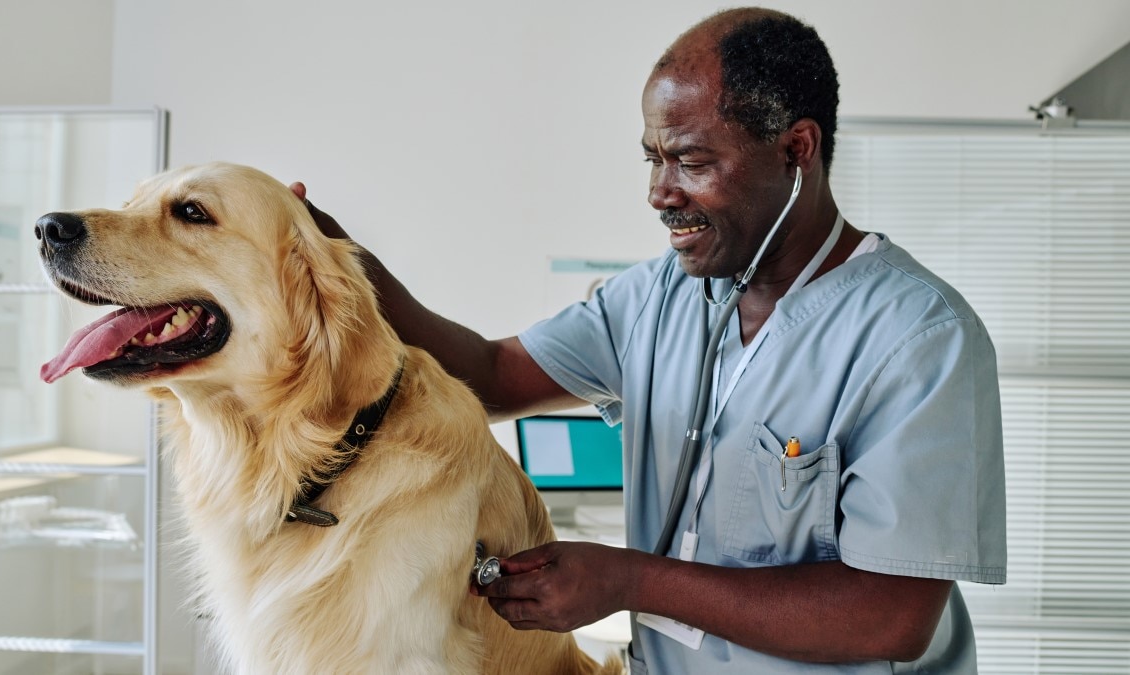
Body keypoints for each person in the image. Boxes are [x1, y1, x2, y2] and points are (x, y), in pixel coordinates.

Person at [292, 6, 1006, 673]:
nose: (660, 192)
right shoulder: (661, 295)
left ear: (797, 149)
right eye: (653, 159)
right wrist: (339, 259)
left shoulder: (919, 337)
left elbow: (890, 615)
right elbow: (491, 372)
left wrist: (628, 579)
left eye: (692, 162)